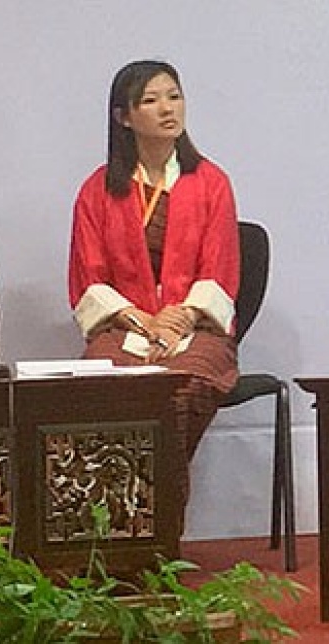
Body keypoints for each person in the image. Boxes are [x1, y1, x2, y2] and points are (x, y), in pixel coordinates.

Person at [67, 60, 238, 466]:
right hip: (125, 327)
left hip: (195, 328)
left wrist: (178, 318)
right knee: (103, 387)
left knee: (184, 389)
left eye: (174, 97)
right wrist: (145, 322)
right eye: (151, 100)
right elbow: (88, 276)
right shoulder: (98, 189)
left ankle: (160, 512)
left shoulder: (212, 183)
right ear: (123, 117)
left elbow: (220, 268)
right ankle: (122, 511)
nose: (168, 109)